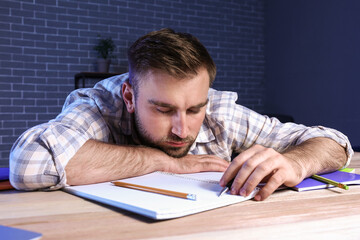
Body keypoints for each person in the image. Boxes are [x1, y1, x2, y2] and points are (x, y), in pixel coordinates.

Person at [10, 28, 353, 201]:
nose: (182, 128)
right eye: (163, 108)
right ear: (130, 96)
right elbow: (28, 165)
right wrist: (164, 162)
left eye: (194, 109)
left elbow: (336, 144)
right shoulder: (100, 104)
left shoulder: (217, 110)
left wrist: (297, 163)